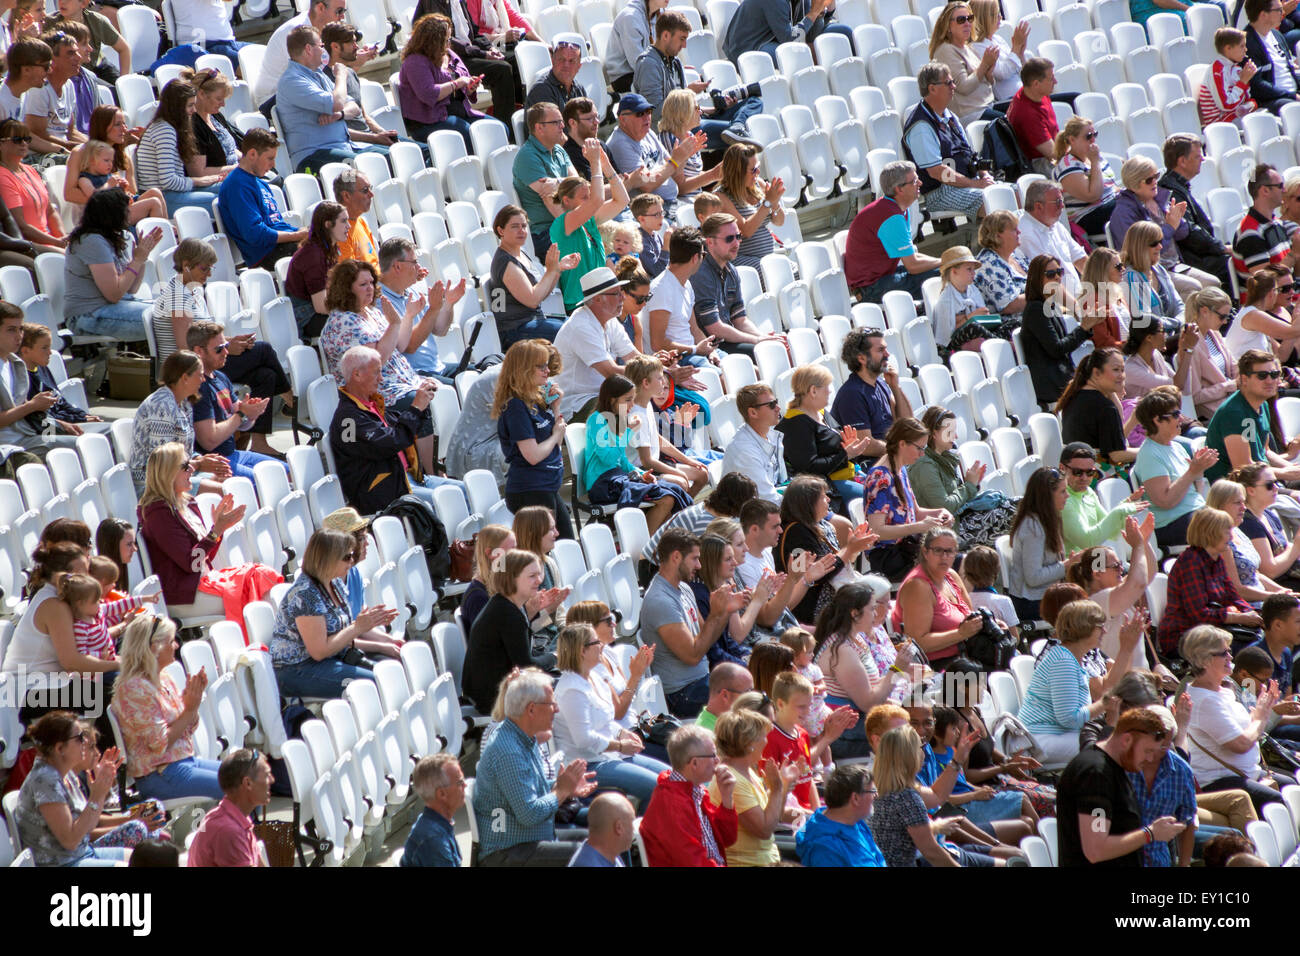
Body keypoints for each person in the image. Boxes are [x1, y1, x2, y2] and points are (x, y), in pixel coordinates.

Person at [320, 260, 443, 477]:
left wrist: (407, 318)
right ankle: (428, 473)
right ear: (346, 288)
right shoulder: (343, 322)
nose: (370, 288)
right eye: (362, 284)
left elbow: (401, 345)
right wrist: (394, 324)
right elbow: (377, 361)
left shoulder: (371, 312)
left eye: (371, 282)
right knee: (421, 403)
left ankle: (437, 464)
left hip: (404, 380)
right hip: (378, 391)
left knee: (447, 389)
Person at [474, 668, 597, 866]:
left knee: (604, 840)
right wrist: (561, 791)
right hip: (508, 851)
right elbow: (529, 814)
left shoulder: (524, 738)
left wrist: (566, 787)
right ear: (531, 709)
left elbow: (533, 788)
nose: (556, 709)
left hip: (531, 841)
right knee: (596, 853)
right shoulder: (508, 751)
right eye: (551, 704)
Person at [270, 527, 402, 698]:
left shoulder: (335, 583)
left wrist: (376, 630)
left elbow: (345, 633)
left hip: (331, 658)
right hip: (297, 669)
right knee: (375, 685)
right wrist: (357, 628)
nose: (352, 561)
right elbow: (319, 651)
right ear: (328, 559)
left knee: (392, 669)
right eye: (347, 557)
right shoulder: (306, 595)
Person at [553, 622, 669, 804]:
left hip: (610, 756)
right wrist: (620, 745)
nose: (602, 646)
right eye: (596, 642)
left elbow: (605, 720)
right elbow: (584, 739)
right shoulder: (571, 689)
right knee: (657, 786)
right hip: (589, 765)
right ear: (582, 651)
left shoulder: (594, 677)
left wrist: (622, 733)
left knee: (670, 778)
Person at [111, 614, 223, 801]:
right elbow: (159, 744)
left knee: (248, 772)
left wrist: (192, 705)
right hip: (160, 775)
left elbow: (187, 729)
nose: (176, 646)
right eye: (172, 641)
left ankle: (247, 830)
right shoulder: (134, 688)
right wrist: (189, 710)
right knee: (240, 786)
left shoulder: (164, 678)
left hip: (183, 763)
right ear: (154, 648)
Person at [137, 442, 257, 616]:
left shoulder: (188, 502)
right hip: (184, 594)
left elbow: (204, 558)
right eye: (185, 466)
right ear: (167, 472)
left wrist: (218, 531)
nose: (192, 470)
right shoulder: (158, 512)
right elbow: (191, 564)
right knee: (254, 592)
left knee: (260, 576)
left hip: (203, 582)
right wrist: (216, 530)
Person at [1056, 707, 1188, 866]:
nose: (1151, 758)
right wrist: (1150, 834)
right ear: (1126, 740)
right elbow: (1095, 849)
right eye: (1147, 751)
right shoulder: (1095, 774)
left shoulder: (1115, 769)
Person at [1182, 625, 1293, 810]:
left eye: (1229, 651)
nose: (1230, 657)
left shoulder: (1223, 689)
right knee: (1276, 802)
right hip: (1220, 781)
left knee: (1291, 785)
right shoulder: (1204, 700)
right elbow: (1241, 744)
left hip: (1249, 773)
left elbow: (1247, 728)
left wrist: (1261, 710)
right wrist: (1261, 716)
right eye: (1224, 653)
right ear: (1205, 660)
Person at [1019, 598, 1140, 766]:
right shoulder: (1063, 661)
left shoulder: (1074, 658)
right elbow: (1069, 719)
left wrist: (1128, 647)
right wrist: (1105, 703)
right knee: (1120, 747)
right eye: (1100, 626)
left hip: (1061, 735)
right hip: (1041, 740)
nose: (1105, 631)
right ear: (1083, 627)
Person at [639, 528, 743, 717]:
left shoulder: (684, 588)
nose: (699, 565)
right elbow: (693, 656)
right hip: (682, 693)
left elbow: (706, 638)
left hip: (702, 680)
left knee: (753, 686)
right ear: (676, 557)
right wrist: (715, 615)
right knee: (747, 703)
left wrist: (725, 611)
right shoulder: (660, 601)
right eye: (694, 559)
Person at [328, 344, 440, 514]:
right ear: (357, 374)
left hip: (408, 479)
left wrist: (421, 407)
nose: (381, 378)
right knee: (447, 500)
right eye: (376, 372)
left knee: (465, 490)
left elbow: (400, 431)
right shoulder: (348, 418)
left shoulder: (372, 404)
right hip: (387, 491)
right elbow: (393, 441)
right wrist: (416, 408)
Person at [872, 724, 1000, 867]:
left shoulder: (886, 791)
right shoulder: (906, 798)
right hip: (923, 861)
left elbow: (936, 795)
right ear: (910, 756)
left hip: (929, 856)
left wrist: (957, 760)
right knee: (1014, 860)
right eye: (920, 748)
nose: (925, 753)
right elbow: (932, 852)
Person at [14, 711, 130, 866]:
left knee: (144, 859)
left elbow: (90, 824)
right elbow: (71, 841)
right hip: (64, 863)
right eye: (79, 738)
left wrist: (102, 789)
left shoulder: (64, 773)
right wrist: (96, 796)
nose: (85, 742)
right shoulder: (45, 780)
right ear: (60, 748)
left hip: (82, 853)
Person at [633, 10, 760, 143]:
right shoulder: (648, 64)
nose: (684, 45)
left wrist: (714, 109)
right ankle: (735, 130)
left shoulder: (675, 61)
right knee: (741, 136)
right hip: (675, 132)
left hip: (691, 122)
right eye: (682, 39)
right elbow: (656, 114)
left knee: (754, 102)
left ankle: (737, 126)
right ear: (665, 35)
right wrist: (689, 96)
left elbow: (684, 107)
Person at [493, 338, 573, 537]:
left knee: (567, 545)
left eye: (546, 365)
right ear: (523, 369)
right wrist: (555, 435)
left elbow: (556, 444)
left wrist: (556, 407)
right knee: (549, 551)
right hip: (530, 490)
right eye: (540, 367)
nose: (547, 371)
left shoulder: (536, 400)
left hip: (547, 486)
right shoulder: (516, 407)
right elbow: (533, 455)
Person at [188, 321, 288, 475]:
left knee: (289, 473)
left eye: (226, 346)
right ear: (199, 351)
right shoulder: (198, 387)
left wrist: (250, 414)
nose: (226, 352)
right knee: (273, 480)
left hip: (233, 455)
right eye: (219, 349)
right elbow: (209, 441)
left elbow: (242, 425)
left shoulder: (220, 377)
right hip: (215, 463)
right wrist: (241, 415)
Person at [465, 549, 560, 712]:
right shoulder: (507, 614)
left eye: (539, 574)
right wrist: (556, 656)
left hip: (496, 689)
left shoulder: (505, 604)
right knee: (571, 683)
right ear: (512, 579)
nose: (539, 581)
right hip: (495, 698)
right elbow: (527, 665)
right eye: (532, 576)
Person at [911, 407, 1018, 549]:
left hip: (960, 522)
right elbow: (945, 507)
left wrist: (971, 484)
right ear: (934, 434)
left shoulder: (945, 459)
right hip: (948, 532)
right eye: (950, 432)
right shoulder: (925, 465)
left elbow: (959, 501)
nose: (955, 437)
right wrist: (969, 485)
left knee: (1021, 504)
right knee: (1016, 511)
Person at [62, 189, 161, 341]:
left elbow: (132, 288)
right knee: (170, 318)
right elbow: (114, 294)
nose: (130, 212)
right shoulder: (91, 241)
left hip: (117, 305)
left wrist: (142, 256)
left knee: (182, 311)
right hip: (89, 315)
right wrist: (138, 260)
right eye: (126, 209)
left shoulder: (118, 237)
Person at [1159, 510, 1263, 654]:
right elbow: (1198, 614)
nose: (1231, 537)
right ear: (1210, 533)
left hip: (1212, 629)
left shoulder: (1217, 559)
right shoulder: (1191, 562)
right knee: (1252, 650)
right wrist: (1238, 617)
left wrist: (1252, 613)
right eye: (1227, 532)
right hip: (1184, 636)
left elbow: (1232, 596)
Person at [1113, 158, 1218, 300]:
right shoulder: (1124, 212)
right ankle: (1183, 322)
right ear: (1135, 183)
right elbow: (1141, 251)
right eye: (1149, 180)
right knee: (1193, 287)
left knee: (1213, 283)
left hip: (1174, 265)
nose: (1155, 181)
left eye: (1156, 176)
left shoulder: (1159, 200)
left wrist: (1179, 219)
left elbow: (1182, 233)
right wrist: (1170, 227)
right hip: (1148, 270)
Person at [862, 418, 952, 583]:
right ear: (902, 444)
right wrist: (918, 527)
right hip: (888, 556)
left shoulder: (901, 469)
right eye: (919, 448)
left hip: (906, 549)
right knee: (948, 569)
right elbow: (878, 531)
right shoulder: (880, 476)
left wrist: (940, 513)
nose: (922, 454)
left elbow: (915, 512)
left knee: (952, 562)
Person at [127, 351, 228, 494]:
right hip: (153, 486)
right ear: (185, 378)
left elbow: (182, 451)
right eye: (200, 375)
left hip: (177, 476)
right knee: (224, 492)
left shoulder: (184, 402)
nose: (203, 379)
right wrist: (199, 464)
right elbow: (162, 465)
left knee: (224, 479)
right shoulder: (161, 406)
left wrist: (200, 458)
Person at [708, 708, 799, 866]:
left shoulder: (747, 770)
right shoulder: (732, 779)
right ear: (749, 743)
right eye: (763, 736)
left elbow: (773, 814)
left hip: (767, 857)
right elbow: (764, 830)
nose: (766, 741)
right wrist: (777, 788)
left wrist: (783, 783)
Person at [638, 723, 739, 866]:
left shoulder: (696, 789)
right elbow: (693, 861)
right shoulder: (672, 803)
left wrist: (727, 798)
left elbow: (726, 839)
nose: (718, 760)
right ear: (694, 763)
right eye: (713, 755)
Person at [902, 61, 992, 219]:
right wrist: (974, 184)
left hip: (966, 182)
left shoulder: (949, 116)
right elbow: (937, 172)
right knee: (993, 200)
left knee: (1013, 192)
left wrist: (985, 175)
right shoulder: (921, 126)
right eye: (948, 83)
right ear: (932, 88)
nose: (954, 87)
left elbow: (969, 153)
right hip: (940, 192)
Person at [777, 475, 877, 618]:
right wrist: (849, 549)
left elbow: (838, 566)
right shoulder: (795, 532)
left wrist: (855, 548)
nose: (829, 500)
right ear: (809, 503)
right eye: (824, 497)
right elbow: (819, 574)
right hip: (810, 610)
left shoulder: (823, 526)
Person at [398, 13, 501, 149]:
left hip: (458, 112)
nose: (449, 43)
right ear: (433, 42)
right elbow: (428, 94)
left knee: (499, 129)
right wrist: (456, 83)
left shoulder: (450, 55)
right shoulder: (415, 62)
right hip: (429, 119)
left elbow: (464, 82)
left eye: (449, 39)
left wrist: (469, 88)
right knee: (470, 135)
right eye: (445, 40)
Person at [777, 364, 872, 509]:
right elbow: (809, 467)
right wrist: (845, 454)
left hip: (849, 473)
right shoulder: (796, 423)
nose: (830, 391)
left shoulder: (821, 412)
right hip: (828, 486)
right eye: (827, 386)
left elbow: (836, 449)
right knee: (875, 497)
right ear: (813, 391)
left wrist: (849, 447)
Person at [845, 160, 940, 303]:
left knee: (949, 271)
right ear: (899, 189)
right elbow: (913, 265)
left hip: (881, 279)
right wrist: (946, 261)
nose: (920, 183)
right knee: (948, 275)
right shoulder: (891, 216)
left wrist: (947, 261)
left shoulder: (897, 208)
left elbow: (911, 257)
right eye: (914, 181)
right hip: (871, 288)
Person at [1133, 389, 1217, 549]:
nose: (1181, 418)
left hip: (1194, 514)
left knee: (1234, 514)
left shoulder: (1176, 446)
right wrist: (1192, 472)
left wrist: (1198, 471)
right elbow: (1165, 501)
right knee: (1222, 527)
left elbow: (1194, 494)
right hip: (1171, 524)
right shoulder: (1149, 454)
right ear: (1157, 420)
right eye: (1175, 414)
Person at [553, 266, 639, 421]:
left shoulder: (610, 320)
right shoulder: (580, 326)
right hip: (575, 406)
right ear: (598, 298)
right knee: (626, 413)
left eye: (622, 292)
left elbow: (635, 358)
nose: (623, 298)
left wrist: (663, 369)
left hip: (601, 396)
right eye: (617, 293)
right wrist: (651, 373)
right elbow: (611, 372)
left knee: (654, 399)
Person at [277, 26, 365, 173]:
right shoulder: (292, 80)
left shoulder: (318, 73)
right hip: (313, 156)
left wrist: (339, 115)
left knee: (389, 156)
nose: (324, 50)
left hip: (344, 147)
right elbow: (337, 103)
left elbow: (354, 107)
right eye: (321, 46)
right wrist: (341, 76)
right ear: (308, 49)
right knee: (361, 166)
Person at [892, 527, 984, 668]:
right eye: (938, 550)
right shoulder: (918, 587)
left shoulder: (951, 575)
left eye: (950, 551)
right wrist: (960, 634)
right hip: (930, 669)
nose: (944, 557)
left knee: (1005, 659)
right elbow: (917, 643)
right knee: (982, 681)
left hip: (964, 658)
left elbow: (970, 616)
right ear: (925, 552)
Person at [487, 204, 576, 349]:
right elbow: (533, 300)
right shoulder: (505, 261)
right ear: (501, 230)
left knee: (579, 325)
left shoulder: (521, 253)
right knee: (573, 332)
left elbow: (542, 293)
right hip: (515, 329)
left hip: (533, 321)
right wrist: (550, 271)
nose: (521, 231)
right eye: (515, 226)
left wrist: (557, 269)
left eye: (524, 226)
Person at [1205, 349, 1300, 484]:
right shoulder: (1233, 413)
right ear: (1244, 379)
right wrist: (1286, 473)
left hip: (1263, 481)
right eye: (1262, 375)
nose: (1270, 380)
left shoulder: (1263, 405)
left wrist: (1291, 468)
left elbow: (1265, 452)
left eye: (1274, 374)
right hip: (1237, 490)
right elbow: (1242, 467)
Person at [216, 128, 305, 271]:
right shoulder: (237, 185)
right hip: (265, 255)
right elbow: (255, 234)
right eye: (270, 158)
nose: (273, 165)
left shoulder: (260, 182)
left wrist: (303, 233)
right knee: (318, 251)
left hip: (280, 246)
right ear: (252, 154)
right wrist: (297, 235)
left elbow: (276, 224)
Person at [378, 237, 463, 385]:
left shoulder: (411, 292)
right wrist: (433, 309)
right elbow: (408, 347)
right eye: (414, 262)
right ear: (397, 267)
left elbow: (440, 330)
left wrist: (449, 304)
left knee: (487, 371)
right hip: (417, 375)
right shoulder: (381, 303)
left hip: (437, 368)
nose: (419, 268)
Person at [551, 162, 630, 312]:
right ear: (567, 201)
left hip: (602, 297)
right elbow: (597, 200)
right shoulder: (562, 223)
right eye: (584, 198)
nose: (590, 202)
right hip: (581, 304)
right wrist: (595, 162)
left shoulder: (590, 222)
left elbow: (622, 200)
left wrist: (604, 161)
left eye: (589, 197)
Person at [135, 80, 223, 215]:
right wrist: (200, 181)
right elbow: (168, 181)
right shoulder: (165, 130)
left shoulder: (170, 127)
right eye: (190, 106)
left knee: (229, 187)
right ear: (176, 108)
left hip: (175, 193)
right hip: (165, 198)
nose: (194, 110)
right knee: (222, 200)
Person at [251, 0, 361, 108]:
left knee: (348, 88)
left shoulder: (318, 28)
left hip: (297, 88)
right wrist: (349, 62)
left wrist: (351, 60)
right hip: (272, 99)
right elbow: (311, 77)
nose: (342, 17)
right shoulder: (296, 32)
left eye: (344, 11)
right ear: (320, 8)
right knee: (342, 94)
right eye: (339, 11)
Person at [606, 92, 698, 218]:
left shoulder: (648, 132)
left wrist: (684, 156)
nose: (647, 117)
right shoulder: (620, 144)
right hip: (651, 212)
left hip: (672, 202)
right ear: (623, 119)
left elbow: (675, 173)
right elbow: (646, 184)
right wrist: (674, 161)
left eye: (648, 112)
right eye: (640, 114)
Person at [1160, 134, 1234, 289]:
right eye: (1197, 156)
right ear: (1182, 161)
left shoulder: (1177, 187)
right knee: (1234, 263)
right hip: (1192, 260)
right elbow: (1190, 234)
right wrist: (1221, 248)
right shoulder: (1171, 192)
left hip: (1199, 254)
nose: (1203, 159)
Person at [319, 23, 405, 154]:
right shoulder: (323, 80)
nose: (356, 47)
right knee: (400, 154)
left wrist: (384, 133)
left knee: (422, 149)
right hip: (355, 144)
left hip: (371, 137)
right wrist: (375, 138)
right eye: (351, 43)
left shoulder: (351, 73)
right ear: (335, 46)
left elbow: (364, 116)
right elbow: (335, 129)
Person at [830, 329, 913, 462]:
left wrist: (895, 387)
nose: (887, 354)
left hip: (891, 458)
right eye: (880, 350)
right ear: (862, 358)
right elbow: (865, 445)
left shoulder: (881, 383)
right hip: (870, 467)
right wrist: (900, 451)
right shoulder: (852, 394)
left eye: (885, 349)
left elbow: (907, 424)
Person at [187, 749, 274, 868]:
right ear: (248, 783)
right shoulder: (229, 831)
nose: (272, 780)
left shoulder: (237, 816)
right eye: (267, 775)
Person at [1008, 466, 1073, 621]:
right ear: (1047, 496)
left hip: (1046, 596)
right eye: (1062, 491)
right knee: (1089, 605)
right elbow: (1033, 578)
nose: (1068, 495)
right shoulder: (1032, 528)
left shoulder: (1049, 519)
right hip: (1030, 603)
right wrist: (1066, 566)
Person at [512, 102, 577, 257]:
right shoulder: (527, 157)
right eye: (556, 122)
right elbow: (549, 198)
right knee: (587, 245)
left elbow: (577, 183)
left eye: (562, 121)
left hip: (566, 220)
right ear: (539, 128)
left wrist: (558, 182)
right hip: (545, 232)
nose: (562, 126)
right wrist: (576, 228)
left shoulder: (559, 150)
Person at [1058, 348, 1137, 472]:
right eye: (1116, 370)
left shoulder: (1075, 395)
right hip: (1094, 475)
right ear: (1096, 373)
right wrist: (1151, 449)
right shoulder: (1105, 407)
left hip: (1075, 471)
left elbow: (1116, 439)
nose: (1121, 376)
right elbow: (1117, 454)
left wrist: (1111, 393)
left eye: (1123, 370)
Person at [1060, 441, 1147, 553]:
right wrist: (1120, 511)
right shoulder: (1061, 500)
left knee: (1138, 558)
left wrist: (1125, 505)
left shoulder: (1088, 492)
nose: (1084, 478)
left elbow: (1112, 533)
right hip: (1072, 567)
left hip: (1092, 560)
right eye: (1077, 472)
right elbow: (1087, 542)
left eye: (1090, 472)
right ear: (1062, 468)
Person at [794, 764, 886, 867]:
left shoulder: (856, 821)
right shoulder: (824, 848)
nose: (876, 795)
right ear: (855, 798)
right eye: (873, 791)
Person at [929, 1, 1004, 125]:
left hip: (988, 106)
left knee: (1027, 109)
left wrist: (989, 74)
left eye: (970, 18)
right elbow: (964, 87)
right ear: (948, 26)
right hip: (971, 114)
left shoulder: (968, 47)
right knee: (1016, 123)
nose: (967, 23)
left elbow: (988, 85)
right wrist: (984, 64)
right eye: (961, 20)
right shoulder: (946, 50)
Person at [714, 144, 784, 271]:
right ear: (737, 172)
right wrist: (767, 203)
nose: (757, 172)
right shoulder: (721, 196)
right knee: (773, 271)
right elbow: (746, 231)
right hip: (741, 259)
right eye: (753, 170)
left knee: (795, 271)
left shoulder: (758, 184)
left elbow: (779, 221)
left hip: (766, 256)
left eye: (758, 167)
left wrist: (775, 203)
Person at [0, 118, 64, 251]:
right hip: (28, 245)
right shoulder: (2, 176)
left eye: (26, 139)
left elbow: (50, 210)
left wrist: (62, 238)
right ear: (1, 144)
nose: (23, 143)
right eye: (17, 139)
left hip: (50, 241)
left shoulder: (30, 170)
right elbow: (21, 227)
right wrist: (57, 244)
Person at [1050, 118, 1119, 240]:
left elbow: (1110, 185)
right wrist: (1094, 162)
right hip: (1088, 215)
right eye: (1088, 136)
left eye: (1095, 134)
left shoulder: (1094, 156)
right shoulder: (1067, 165)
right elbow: (1093, 195)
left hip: (1107, 205)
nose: (1093, 140)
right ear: (1072, 140)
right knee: (1131, 202)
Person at [285, 201, 347, 338]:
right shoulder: (313, 255)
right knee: (353, 322)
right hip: (308, 316)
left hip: (321, 308)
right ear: (328, 224)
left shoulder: (328, 248)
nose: (348, 226)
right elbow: (321, 306)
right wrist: (351, 306)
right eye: (343, 221)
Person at [22, 29, 84, 165]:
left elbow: (71, 131)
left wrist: (95, 145)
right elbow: (38, 134)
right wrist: (68, 147)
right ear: (52, 60)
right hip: (39, 156)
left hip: (63, 150)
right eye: (71, 53)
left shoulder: (68, 86)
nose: (79, 57)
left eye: (77, 52)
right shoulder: (39, 89)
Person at [721, 0, 852, 63]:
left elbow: (810, 35)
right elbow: (790, 40)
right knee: (795, 54)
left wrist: (823, 11)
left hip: (777, 39)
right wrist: (813, 13)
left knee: (843, 32)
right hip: (749, 47)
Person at [1233, 163, 1296, 290]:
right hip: (1267, 306)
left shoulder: (1276, 223)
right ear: (1265, 190)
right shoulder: (1250, 233)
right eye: (1280, 186)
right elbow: (1267, 285)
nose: (1285, 190)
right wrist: (1294, 253)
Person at [1236, 462, 1300, 584]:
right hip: (1279, 584)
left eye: (1276, 482)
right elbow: (1269, 571)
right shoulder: (1247, 523)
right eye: (1269, 485)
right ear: (1251, 490)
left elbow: (1286, 549)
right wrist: (1297, 546)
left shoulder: (1267, 513)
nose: (1276, 488)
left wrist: (1294, 548)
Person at [1183, 287, 1240, 420]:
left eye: (1228, 316)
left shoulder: (1214, 334)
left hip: (1231, 401)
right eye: (1222, 317)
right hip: (1213, 412)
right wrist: (1229, 386)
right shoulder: (1189, 343)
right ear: (1204, 311)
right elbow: (1195, 396)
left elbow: (1233, 366)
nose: (1225, 321)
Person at [656, 93, 724, 204]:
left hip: (695, 199)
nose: (701, 111)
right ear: (682, 112)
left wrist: (722, 175)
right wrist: (713, 175)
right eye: (696, 108)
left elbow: (694, 176)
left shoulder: (689, 136)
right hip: (681, 203)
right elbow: (680, 188)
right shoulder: (669, 139)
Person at [402, 754, 466, 867]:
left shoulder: (436, 825)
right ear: (442, 794)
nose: (465, 785)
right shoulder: (433, 840)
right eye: (460, 783)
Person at [1223, 270, 1300, 364]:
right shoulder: (1253, 315)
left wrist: (1296, 318)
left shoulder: (1255, 314)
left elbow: (1281, 356)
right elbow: (1292, 332)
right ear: (1272, 292)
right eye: (1278, 290)